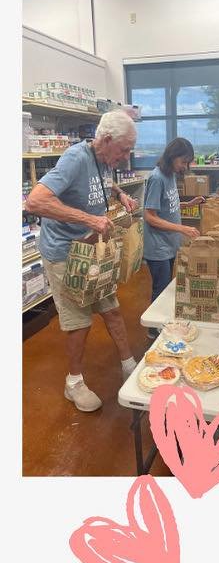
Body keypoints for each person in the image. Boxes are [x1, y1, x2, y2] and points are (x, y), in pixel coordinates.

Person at [24, 110, 141, 412]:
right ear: (105, 139)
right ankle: (73, 383)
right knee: (79, 321)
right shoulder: (75, 157)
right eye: (124, 149)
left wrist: (119, 195)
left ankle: (129, 365)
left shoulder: (103, 159)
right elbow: (35, 201)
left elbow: (96, 184)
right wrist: (88, 218)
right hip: (65, 253)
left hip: (91, 249)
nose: (126, 157)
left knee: (111, 307)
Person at [143, 137, 203, 337]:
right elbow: (150, 216)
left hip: (169, 244)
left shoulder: (170, 176)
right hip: (157, 246)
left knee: (167, 286)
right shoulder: (157, 178)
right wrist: (181, 229)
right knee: (160, 289)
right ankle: (154, 329)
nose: (185, 166)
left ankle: (162, 323)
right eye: (183, 161)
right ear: (172, 156)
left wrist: (190, 203)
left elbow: (170, 205)